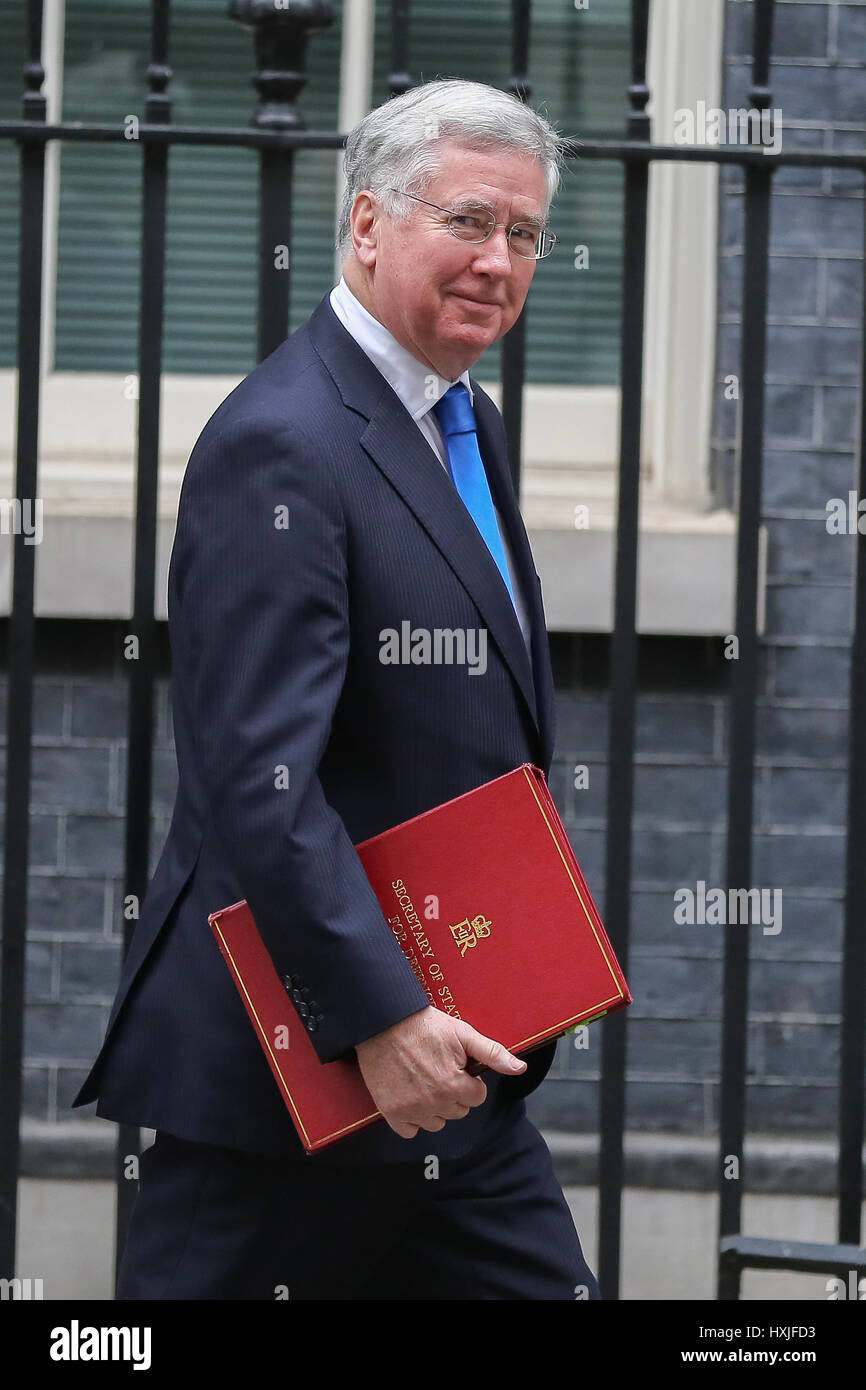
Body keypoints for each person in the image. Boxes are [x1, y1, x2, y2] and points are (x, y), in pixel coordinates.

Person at [73, 77, 601, 1301]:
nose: (499, 261)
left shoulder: (464, 421)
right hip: (294, 1086)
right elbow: (259, 778)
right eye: (466, 221)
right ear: (367, 224)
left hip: (456, 1079)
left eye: (523, 234)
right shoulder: (283, 442)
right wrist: (378, 1015)